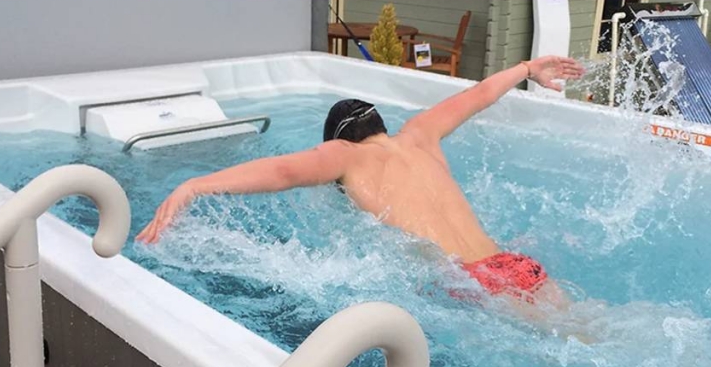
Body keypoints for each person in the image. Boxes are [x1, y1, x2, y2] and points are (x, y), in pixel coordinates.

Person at [137, 55, 585, 310]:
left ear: (337, 140)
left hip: (472, 284)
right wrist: (529, 68)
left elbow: (283, 171)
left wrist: (193, 185)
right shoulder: (419, 136)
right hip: (514, 264)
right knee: (589, 332)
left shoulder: (347, 156)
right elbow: (479, 95)